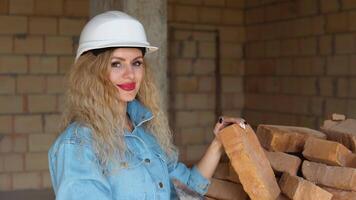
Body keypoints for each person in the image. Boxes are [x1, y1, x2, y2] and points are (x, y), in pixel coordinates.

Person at [48, 11, 243, 200]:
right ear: (91, 72)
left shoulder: (146, 135)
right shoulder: (78, 144)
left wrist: (218, 143)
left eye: (136, 63)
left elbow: (187, 190)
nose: (130, 75)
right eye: (116, 64)